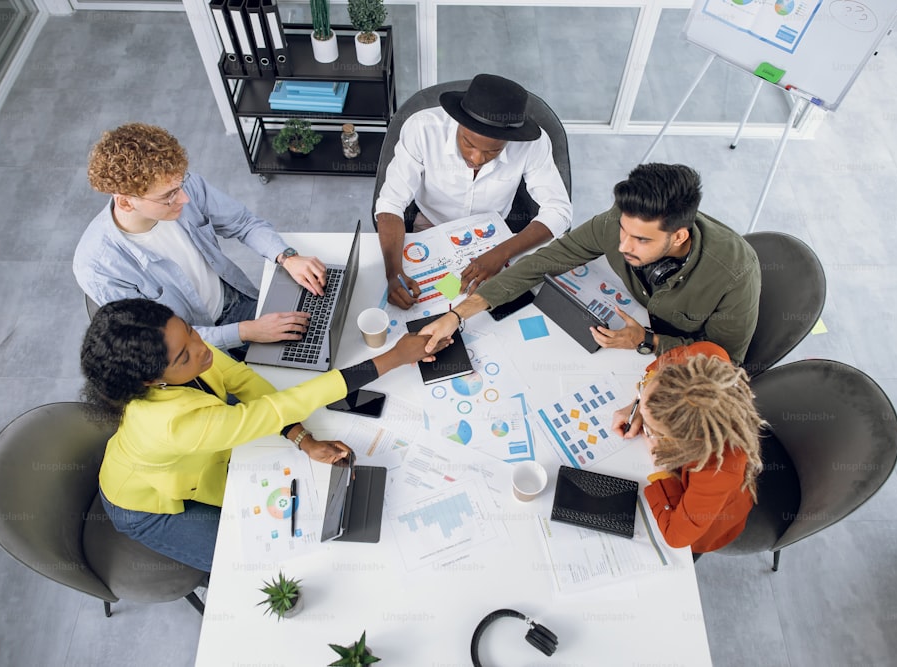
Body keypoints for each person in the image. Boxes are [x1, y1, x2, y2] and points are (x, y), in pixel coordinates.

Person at [80, 298, 449, 573]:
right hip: (147, 507)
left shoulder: (186, 351)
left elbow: (242, 380)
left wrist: (301, 437)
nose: (201, 349)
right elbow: (280, 406)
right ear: (150, 380)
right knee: (256, 568)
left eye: (190, 331)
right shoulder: (172, 425)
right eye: (184, 357)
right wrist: (394, 357)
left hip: (197, 469)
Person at [419, 163, 761, 365]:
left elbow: (726, 362)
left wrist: (649, 342)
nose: (623, 246)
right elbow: (546, 261)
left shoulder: (735, 273)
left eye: (641, 240)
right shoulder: (616, 223)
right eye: (624, 231)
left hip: (672, 361)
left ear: (679, 237)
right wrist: (457, 314)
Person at [74, 122, 327, 354]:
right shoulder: (99, 266)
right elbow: (162, 340)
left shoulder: (180, 186)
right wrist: (248, 332)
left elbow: (243, 223)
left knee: (319, 340)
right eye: (169, 196)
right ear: (126, 202)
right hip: (193, 350)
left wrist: (286, 257)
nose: (184, 198)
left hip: (238, 303)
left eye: (181, 185)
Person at [375, 73, 572, 308]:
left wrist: (501, 253)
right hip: (432, 226)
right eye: (468, 143)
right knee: (429, 305)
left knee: (491, 311)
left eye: (492, 152)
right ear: (458, 122)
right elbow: (390, 204)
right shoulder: (423, 129)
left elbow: (559, 211)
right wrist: (394, 274)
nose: (476, 158)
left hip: (493, 238)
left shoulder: (534, 144)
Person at [610, 342, 764, 556]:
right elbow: (666, 362)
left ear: (684, 441)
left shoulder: (718, 469)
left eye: (653, 429)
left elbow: (676, 536)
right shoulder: (707, 356)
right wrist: (637, 406)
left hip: (714, 520)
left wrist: (661, 465)